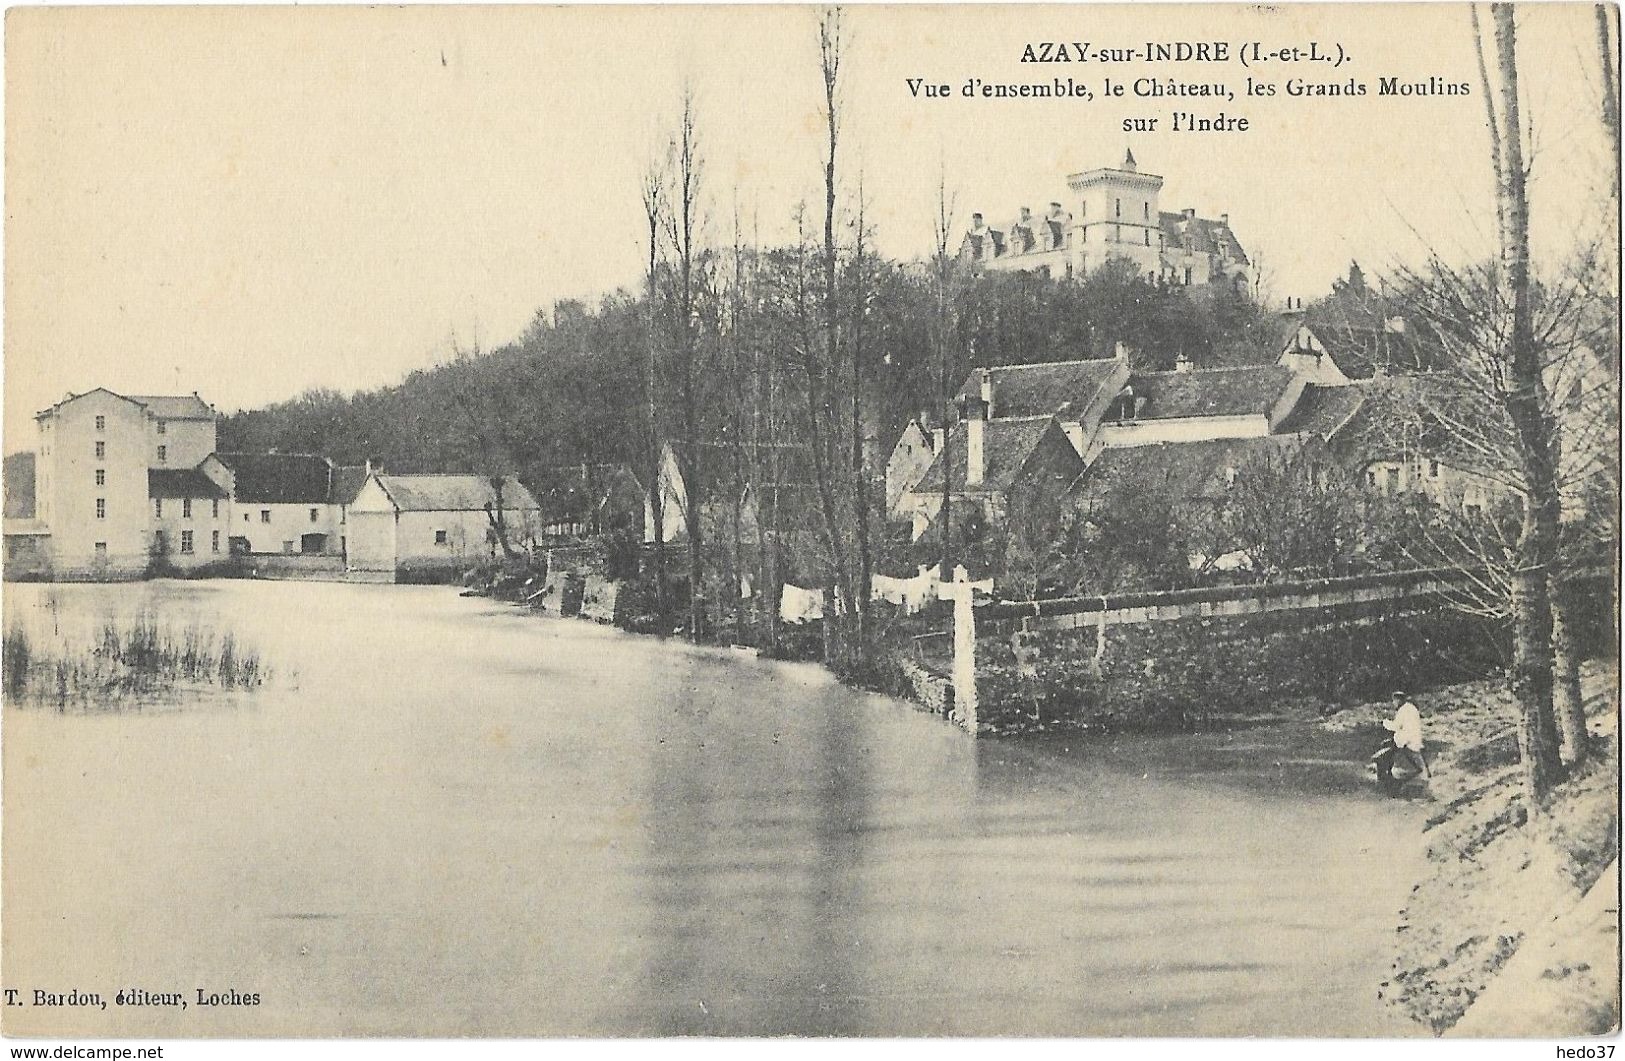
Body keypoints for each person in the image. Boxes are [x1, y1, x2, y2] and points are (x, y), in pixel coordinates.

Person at [1372, 691, 1429, 787]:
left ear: (1398, 700)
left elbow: (1395, 726)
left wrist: (1384, 722)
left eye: (1394, 701)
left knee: (1386, 751)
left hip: (1407, 741)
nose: (1393, 703)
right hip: (1412, 739)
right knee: (1387, 746)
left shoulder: (1403, 710)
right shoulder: (1410, 708)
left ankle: (1384, 776)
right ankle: (1387, 772)